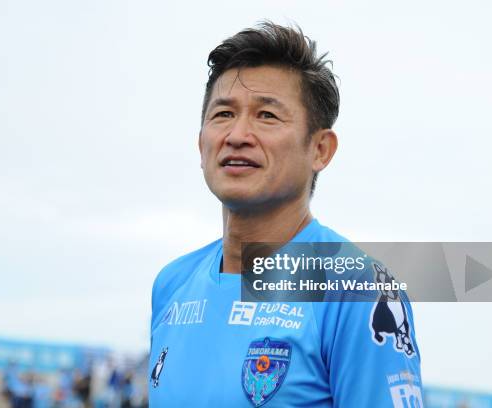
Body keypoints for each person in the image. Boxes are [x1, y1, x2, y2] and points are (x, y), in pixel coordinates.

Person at [148, 21, 422, 407]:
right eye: (223, 114)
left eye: (267, 116)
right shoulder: (171, 284)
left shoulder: (354, 288)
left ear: (321, 150)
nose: (238, 134)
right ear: (201, 144)